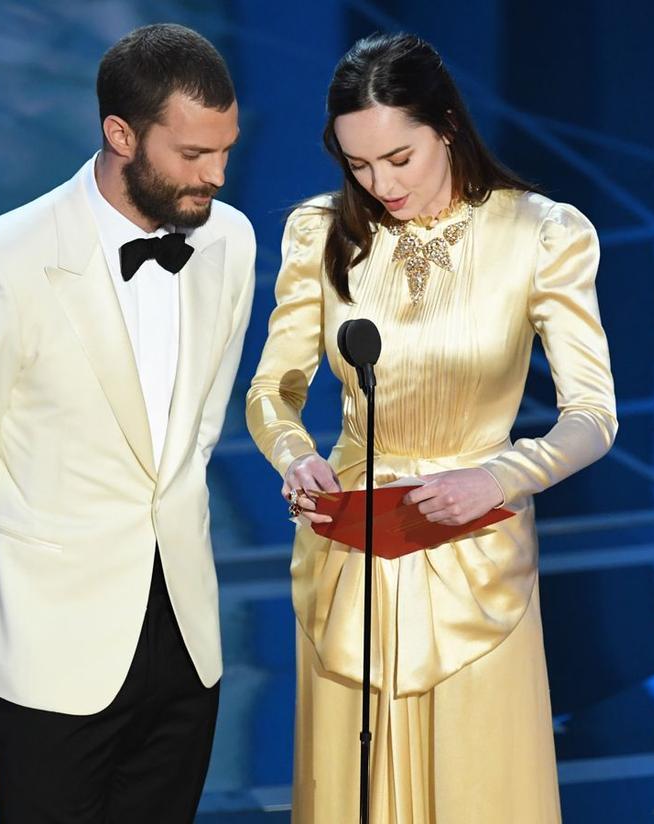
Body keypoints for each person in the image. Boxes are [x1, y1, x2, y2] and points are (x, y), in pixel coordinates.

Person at [246, 33, 617, 823]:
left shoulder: (542, 233)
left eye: (400, 158)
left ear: (446, 125)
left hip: (473, 536)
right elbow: (274, 388)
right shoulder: (320, 233)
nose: (381, 184)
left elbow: (592, 416)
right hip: (351, 544)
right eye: (359, 165)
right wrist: (294, 453)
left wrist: (501, 477)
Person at [0, 23, 255, 822]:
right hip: (47, 645)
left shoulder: (229, 241)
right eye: (193, 156)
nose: (218, 176)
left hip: (187, 637)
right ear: (120, 134)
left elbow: (196, 432)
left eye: (226, 151)